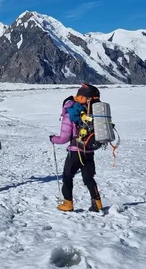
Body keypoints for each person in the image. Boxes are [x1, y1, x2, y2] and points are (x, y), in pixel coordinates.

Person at [50, 83, 103, 212]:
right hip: (89, 150)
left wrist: (53, 139)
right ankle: (97, 204)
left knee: (67, 176)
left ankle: (68, 203)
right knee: (89, 178)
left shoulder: (71, 112)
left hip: (76, 152)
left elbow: (64, 137)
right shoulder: (94, 112)